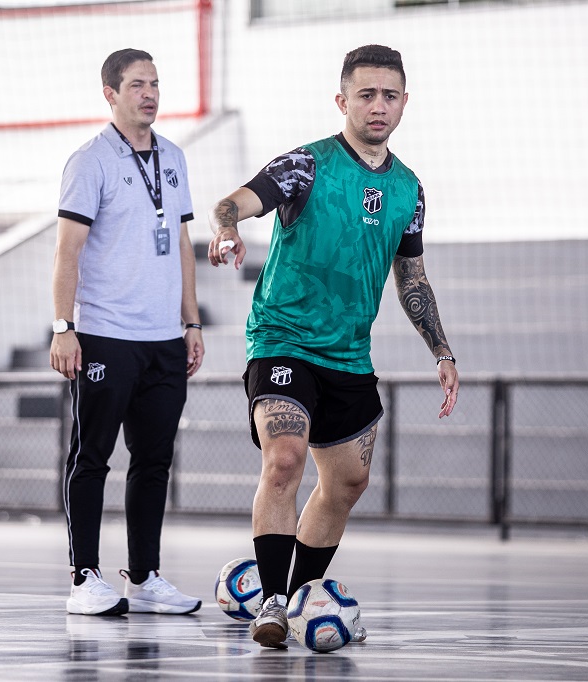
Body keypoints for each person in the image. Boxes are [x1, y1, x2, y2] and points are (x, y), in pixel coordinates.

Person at [207, 44, 459, 648]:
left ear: (404, 103)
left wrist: (442, 353)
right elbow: (234, 201)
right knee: (286, 458)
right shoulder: (305, 165)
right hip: (283, 340)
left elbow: (413, 280)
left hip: (348, 354)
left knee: (347, 483)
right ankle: (271, 601)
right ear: (342, 100)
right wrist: (225, 228)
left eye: (390, 95)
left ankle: (302, 596)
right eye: (366, 94)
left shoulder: (409, 190)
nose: (378, 105)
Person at [51, 48, 204, 617]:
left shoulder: (174, 158)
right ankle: (84, 577)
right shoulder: (89, 162)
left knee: (154, 459)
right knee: (91, 457)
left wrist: (190, 321)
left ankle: (144, 576)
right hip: (106, 335)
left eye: (156, 84)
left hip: (163, 339)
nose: (150, 93)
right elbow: (68, 250)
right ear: (110, 94)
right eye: (137, 84)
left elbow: (184, 245)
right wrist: (65, 326)